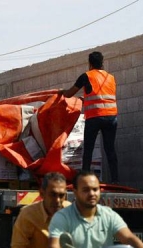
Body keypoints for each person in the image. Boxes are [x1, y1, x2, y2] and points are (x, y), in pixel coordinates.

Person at [48, 171, 143, 248]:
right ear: (75, 192)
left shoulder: (108, 214)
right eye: (86, 190)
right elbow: (54, 247)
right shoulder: (62, 217)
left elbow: (128, 237)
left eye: (95, 189)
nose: (92, 194)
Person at [58, 51, 119, 183]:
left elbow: (69, 94)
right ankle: (115, 180)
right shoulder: (111, 77)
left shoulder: (86, 76)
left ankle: (84, 180)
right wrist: (86, 99)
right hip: (111, 118)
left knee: (88, 150)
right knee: (110, 150)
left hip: (95, 118)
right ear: (102, 63)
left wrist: (61, 92)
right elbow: (101, 96)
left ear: (90, 63)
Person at [11, 172, 71, 248]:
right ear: (42, 194)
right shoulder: (28, 215)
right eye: (53, 195)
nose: (57, 200)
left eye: (61, 195)